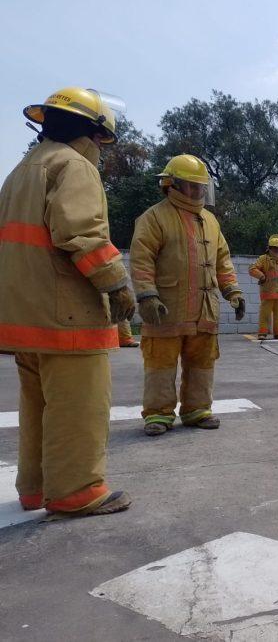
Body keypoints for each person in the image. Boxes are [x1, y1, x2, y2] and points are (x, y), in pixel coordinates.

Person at [0, 86, 135, 516]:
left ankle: (35, 488)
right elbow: (81, 233)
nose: (100, 149)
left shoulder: (22, 170)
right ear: (90, 134)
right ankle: (76, 489)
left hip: (26, 317)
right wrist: (116, 283)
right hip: (68, 315)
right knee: (79, 407)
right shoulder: (72, 165)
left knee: (37, 407)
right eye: (101, 140)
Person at [130, 154, 245, 437]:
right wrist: (146, 295)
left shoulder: (211, 221)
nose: (198, 192)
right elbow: (141, 259)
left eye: (201, 186)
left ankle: (197, 410)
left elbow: (223, 260)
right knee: (161, 364)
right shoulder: (154, 217)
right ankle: (158, 413)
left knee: (202, 362)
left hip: (204, 310)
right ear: (171, 185)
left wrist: (233, 290)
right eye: (191, 186)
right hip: (166, 308)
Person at [249, 234, 278, 340]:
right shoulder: (263, 259)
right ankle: (262, 333)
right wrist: (261, 276)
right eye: (274, 248)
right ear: (269, 248)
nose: (276, 250)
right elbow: (252, 269)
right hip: (268, 292)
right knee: (265, 314)